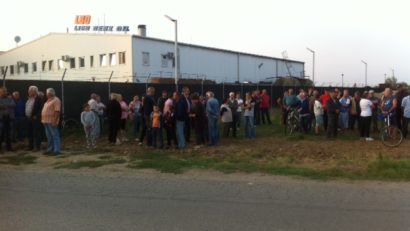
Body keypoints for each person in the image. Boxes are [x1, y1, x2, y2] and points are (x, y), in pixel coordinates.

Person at [41, 88, 61, 155]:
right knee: (49, 136)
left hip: (51, 121)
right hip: (45, 121)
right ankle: (50, 149)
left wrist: (55, 121)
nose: (46, 94)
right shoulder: (47, 101)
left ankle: (56, 150)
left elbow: (57, 111)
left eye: (47, 93)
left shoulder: (56, 100)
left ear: (50, 93)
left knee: (55, 135)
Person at [25, 86, 44, 152]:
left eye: (30, 91)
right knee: (29, 132)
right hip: (28, 118)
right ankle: (30, 146)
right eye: (29, 90)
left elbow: (41, 109)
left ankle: (37, 147)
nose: (28, 92)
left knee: (36, 133)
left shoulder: (39, 99)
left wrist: (36, 115)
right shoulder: (29, 99)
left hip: (35, 118)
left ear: (35, 92)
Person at [0, 87, 16, 152]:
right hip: (1, 118)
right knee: (1, 133)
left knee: (8, 133)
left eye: (5, 91)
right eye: (3, 91)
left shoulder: (10, 98)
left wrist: (4, 106)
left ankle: (9, 147)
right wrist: (7, 106)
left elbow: (14, 104)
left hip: (9, 118)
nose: (5, 92)